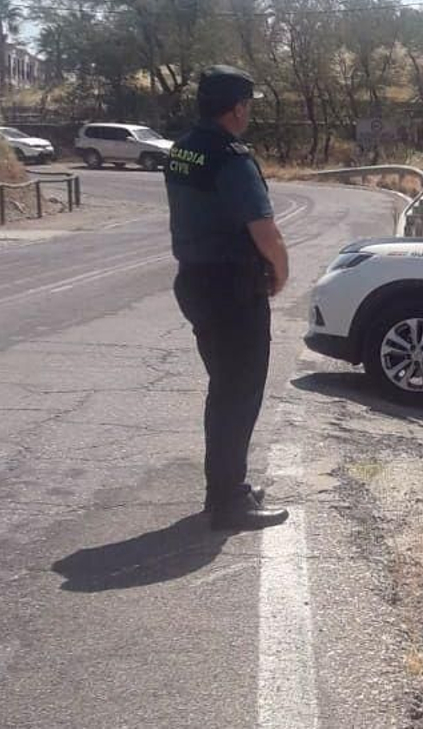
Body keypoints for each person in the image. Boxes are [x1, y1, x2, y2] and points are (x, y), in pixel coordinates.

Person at [166, 65, 291, 531]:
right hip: (232, 288)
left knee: (225, 389)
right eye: (249, 104)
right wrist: (280, 270)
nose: (250, 112)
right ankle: (229, 501)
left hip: (196, 282)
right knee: (238, 394)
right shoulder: (231, 156)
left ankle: (224, 488)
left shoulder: (182, 149)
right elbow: (264, 231)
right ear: (238, 107)